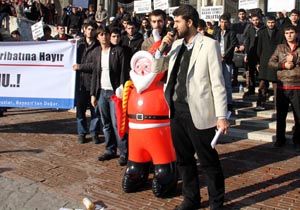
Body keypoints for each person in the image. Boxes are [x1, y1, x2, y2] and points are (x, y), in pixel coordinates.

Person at [154, 5, 229, 210]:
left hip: (199, 111)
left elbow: (217, 82)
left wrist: (221, 115)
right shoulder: (176, 45)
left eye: (177, 21)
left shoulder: (209, 44)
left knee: (208, 160)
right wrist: (162, 48)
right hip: (176, 111)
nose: (174, 25)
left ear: (189, 22)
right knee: (184, 159)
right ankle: (191, 199)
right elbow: (157, 70)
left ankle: (216, 202)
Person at [90, 26, 129, 166]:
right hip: (102, 92)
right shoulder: (96, 52)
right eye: (101, 34)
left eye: (106, 34)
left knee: (117, 123)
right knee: (105, 123)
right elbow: (95, 73)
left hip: (115, 92)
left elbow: (124, 71)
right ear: (97, 37)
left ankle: (124, 152)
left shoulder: (118, 51)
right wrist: (93, 94)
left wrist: (123, 88)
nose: (104, 37)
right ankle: (110, 149)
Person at [268, 25, 300, 152]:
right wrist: (283, 65)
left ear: (296, 33)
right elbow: (270, 63)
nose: (289, 35)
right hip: (282, 86)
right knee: (281, 116)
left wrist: (296, 59)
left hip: (297, 85)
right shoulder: (280, 48)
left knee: (299, 116)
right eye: (287, 33)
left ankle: (297, 140)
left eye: (292, 32)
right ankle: (280, 139)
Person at [72, 22, 102, 144]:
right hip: (80, 84)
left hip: (93, 83)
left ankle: (94, 133)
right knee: (80, 111)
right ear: (84, 30)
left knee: (95, 110)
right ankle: (81, 133)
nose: (90, 31)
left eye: (92, 29)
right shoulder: (77, 46)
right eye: (88, 29)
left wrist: (80, 67)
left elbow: (96, 65)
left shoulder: (99, 47)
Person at [255, 16, 283, 111]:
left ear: (275, 22)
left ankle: (278, 105)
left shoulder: (280, 33)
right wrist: (258, 62)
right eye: (269, 22)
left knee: (276, 85)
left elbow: (282, 48)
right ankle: (260, 103)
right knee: (262, 84)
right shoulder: (262, 33)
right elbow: (258, 49)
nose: (271, 24)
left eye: (272, 22)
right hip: (264, 61)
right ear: (266, 23)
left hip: (276, 61)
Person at [213, 14, 238, 111]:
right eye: (222, 22)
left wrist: (224, 55)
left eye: (225, 22)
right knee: (217, 82)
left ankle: (229, 103)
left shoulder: (231, 33)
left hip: (227, 60)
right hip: (216, 59)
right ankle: (219, 102)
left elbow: (232, 45)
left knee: (227, 82)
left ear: (228, 22)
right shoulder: (216, 31)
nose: (223, 24)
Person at [244, 14, 264, 96]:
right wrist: (246, 54)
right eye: (253, 20)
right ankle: (251, 89)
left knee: (261, 73)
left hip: (261, 53)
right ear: (251, 21)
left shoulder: (264, 29)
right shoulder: (250, 29)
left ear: (260, 19)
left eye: (257, 19)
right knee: (251, 72)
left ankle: (262, 90)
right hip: (251, 53)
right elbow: (247, 42)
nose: (255, 21)